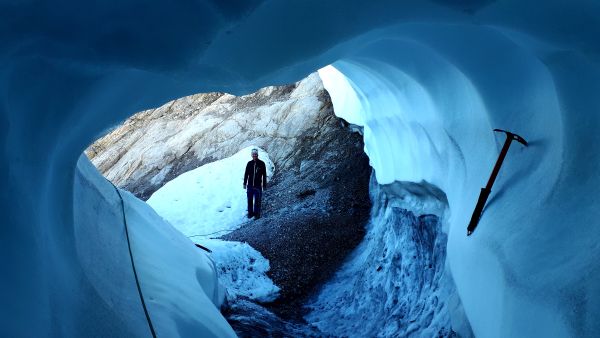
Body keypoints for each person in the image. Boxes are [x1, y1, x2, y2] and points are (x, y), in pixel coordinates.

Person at [243, 148, 267, 219]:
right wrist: (244, 183)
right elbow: (246, 174)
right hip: (250, 185)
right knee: (249, 200)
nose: (254, 155)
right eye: (253, 154)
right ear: (251, 155)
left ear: (257, 154)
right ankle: (250, 213)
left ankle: (257, 214)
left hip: (258, 186)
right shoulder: (249, 163)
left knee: (257, 201)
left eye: (255, 154)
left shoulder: (262, 163)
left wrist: (264, 185)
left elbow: (264, 175)